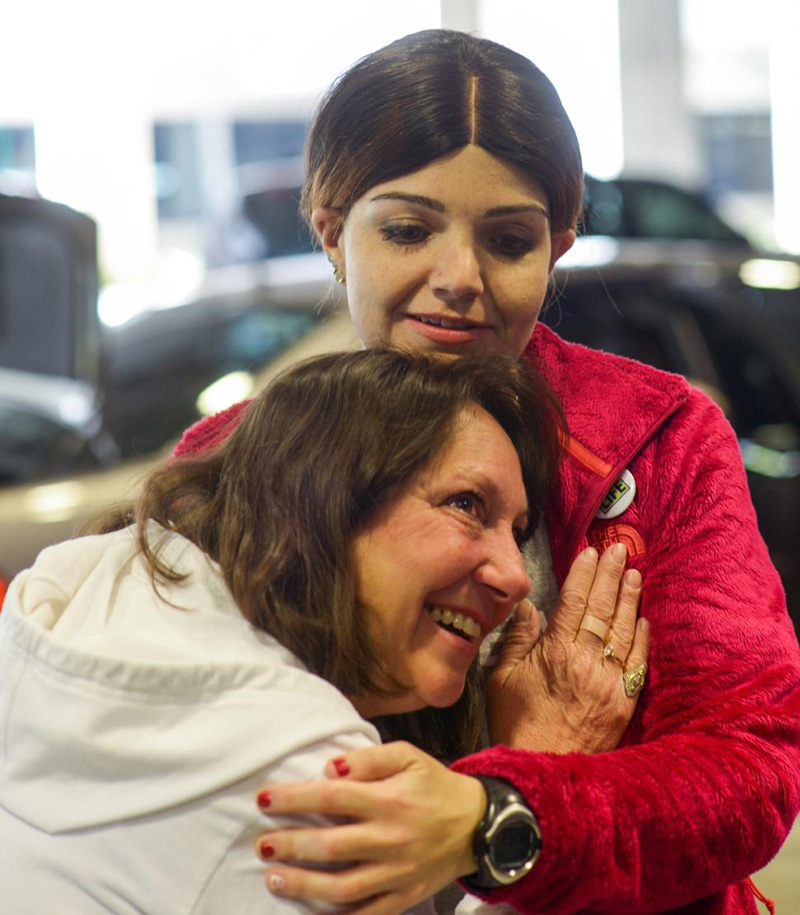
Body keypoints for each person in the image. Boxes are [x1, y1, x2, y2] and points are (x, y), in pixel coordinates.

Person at [175, 29, 800, 915]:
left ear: (559, 249)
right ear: (330, 234)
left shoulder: (660, 440)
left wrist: (502, 814)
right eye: (406, 229)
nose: (458, 277)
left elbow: (751, 767)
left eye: (508, 240)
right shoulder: (223, 459)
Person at [0, 350, 647, 914]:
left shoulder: (74, 591)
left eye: (518, 529)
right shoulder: (314, 774)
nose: (513, 576)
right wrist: (532, 787)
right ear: (325, 495)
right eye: (466, 504)